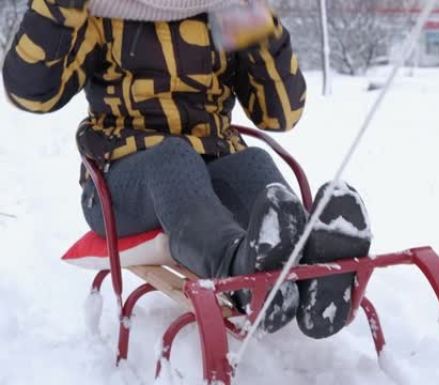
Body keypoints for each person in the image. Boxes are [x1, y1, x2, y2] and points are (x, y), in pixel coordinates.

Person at [2, 0, 371, 339]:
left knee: (252, 162)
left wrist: (256, 17)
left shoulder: (220, 9)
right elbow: (31, 93)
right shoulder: (105, 11)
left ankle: (314, 267)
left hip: (211, 161)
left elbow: (281, 112)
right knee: (173, 158)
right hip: (122, 182)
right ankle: (241, 271)